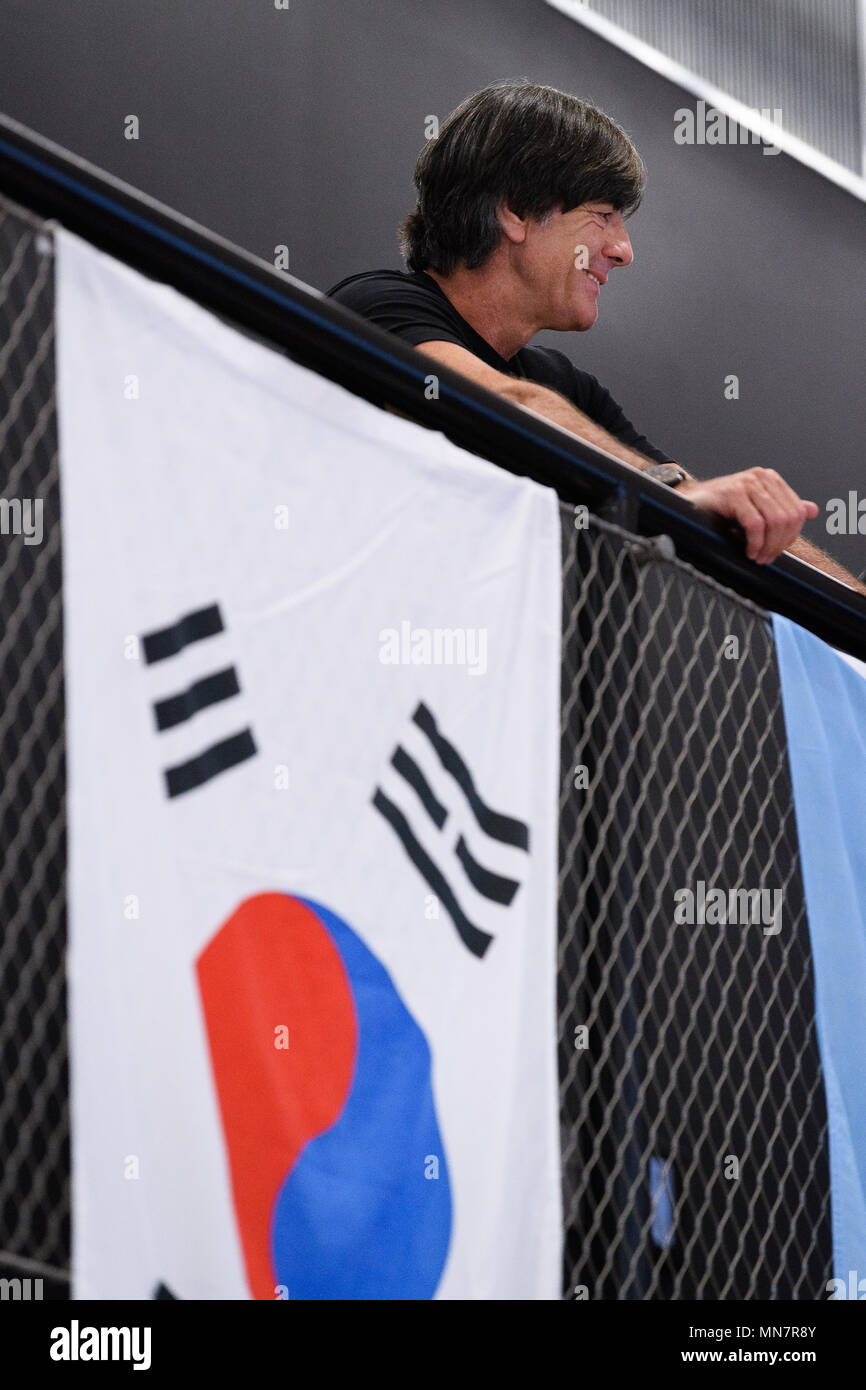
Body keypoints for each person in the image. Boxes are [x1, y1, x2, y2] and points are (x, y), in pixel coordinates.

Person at [328, 80, 865, 592]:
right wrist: (678, 491)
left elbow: (709, 507)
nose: (624, 250)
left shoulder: (568, 388)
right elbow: (499, 402)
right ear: (514, 211)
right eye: (603, 216)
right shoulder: (378, 304)